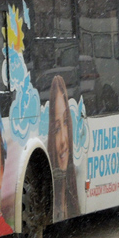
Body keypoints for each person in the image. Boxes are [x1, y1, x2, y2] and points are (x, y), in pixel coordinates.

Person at [47, 75, 80, 220]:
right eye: (56, 128)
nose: (62, 141)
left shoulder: (75, 197)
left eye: (66, 122)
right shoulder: (50, 202)